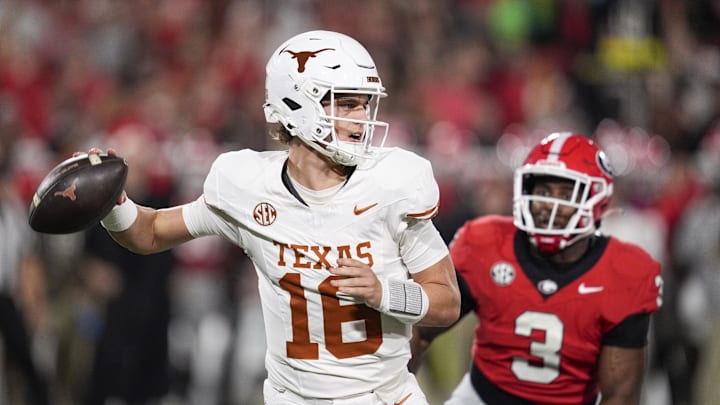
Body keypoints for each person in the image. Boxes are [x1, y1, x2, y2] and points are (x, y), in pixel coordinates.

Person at [82, 30, 460, 405]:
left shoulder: (391, 185)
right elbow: (148, 232)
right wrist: (114, 205)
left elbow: (447, 303)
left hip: (384, 397)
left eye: (364, 104)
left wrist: (385, 292)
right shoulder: (248, 187)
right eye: (346, 104)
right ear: (296, 106)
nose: (361, 118)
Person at [410, 132, 664, 405]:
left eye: (566, 193)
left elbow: (620, 395)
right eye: (543, 191)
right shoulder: (485, 243)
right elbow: (420, 332)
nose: (549, 205)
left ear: (597, 200)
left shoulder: (623, 272)